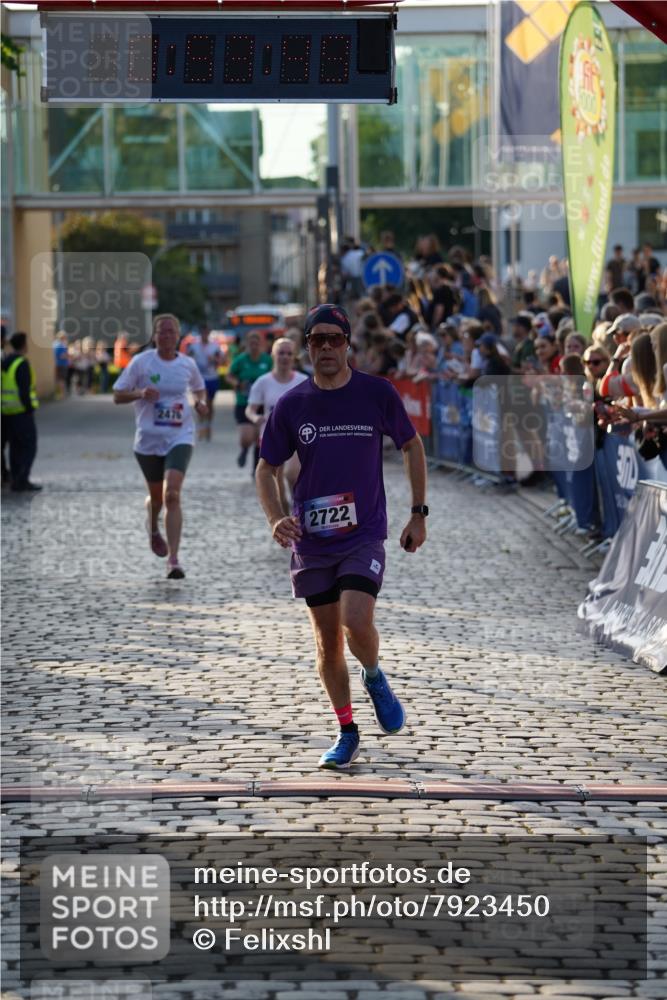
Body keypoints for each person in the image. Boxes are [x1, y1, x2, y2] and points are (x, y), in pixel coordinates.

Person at [255, 304, 428, 770]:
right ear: (308, 346)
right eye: (317, 340)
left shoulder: (376, 393)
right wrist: (275, 518)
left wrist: (418, 514)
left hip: (363, 533)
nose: (326, 347)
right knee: (327, 642)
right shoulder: (293, 404)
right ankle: (346, 729)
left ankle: (374, 675)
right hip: (311, 541)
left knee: (355, 619)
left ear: (348, 343)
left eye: (335, 339)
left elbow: (412, 445)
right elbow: (266, 468)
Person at [113, 313, 208, 579]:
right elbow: (117, 395)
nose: (166, 336)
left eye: (171, 332)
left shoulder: (187, 365)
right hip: (148, 440)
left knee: (172, 495)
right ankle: (153, 527)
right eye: (161, 332)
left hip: (180, 436)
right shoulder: (141, 363)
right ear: (154, 336)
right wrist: (140, 393)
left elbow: (199, 389)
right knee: (156, 498)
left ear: (178, 336)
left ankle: (174, 560)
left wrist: (201, 402)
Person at [246, 337, 308, 516]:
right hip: (272, 437)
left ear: (294, 357)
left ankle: (301, 512)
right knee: (278, 483)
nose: (285, 357)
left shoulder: (304, 381)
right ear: (273, 355)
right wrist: (256, 417)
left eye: (289, 353)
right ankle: (287, 519)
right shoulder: (263, 382)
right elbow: (250, 409)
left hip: (298, 437)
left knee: (293, 474)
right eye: (281, 353)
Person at [1, 331, 42, 492]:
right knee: (27, 447)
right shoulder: (21, 363)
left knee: (14, 448)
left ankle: (15, 479)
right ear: (24, 345)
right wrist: (29, 408)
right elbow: (24, 391)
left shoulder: (5, 361)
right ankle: (21, 480)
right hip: (21, 413)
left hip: (5, 411)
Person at [227, 330, 272, 471]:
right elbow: (229, 375)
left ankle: (256, 469)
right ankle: (244, 450)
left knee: (260, 438)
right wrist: (236, 384)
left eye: (256, 343)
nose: (254, 346)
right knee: (246, 437)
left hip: (262, 404)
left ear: (261, 344)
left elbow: (274, 377)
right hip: (244, 402)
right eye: (251, 343)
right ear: (247, 344)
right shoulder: (241, 360)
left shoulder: (267, 360)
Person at [186, 325, 222, 441]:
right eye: (203, 332)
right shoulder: (194, 346)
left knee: (210, 404)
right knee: (200, 403)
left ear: (209, 333)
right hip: (199, 378)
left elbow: (221, 361)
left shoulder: (215, 346)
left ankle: (208, 426)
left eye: (207, 332)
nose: (205, 334)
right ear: (200, 333)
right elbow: (187, 359)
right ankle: (201, 428)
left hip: (212, 377)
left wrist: (215, 360)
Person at [53, 331, 69, 399]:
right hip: (61, 364)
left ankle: (61, 394)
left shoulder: (57, 344)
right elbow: (61, 355)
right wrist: (67, 355)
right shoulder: (60, 345)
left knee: (59, 379)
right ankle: (62, 394)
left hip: (59, 364)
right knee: (61, 379)